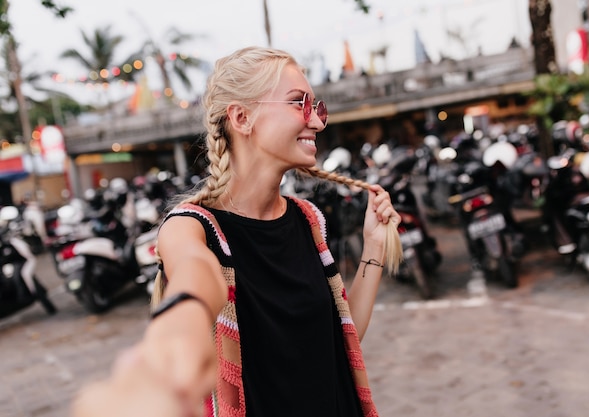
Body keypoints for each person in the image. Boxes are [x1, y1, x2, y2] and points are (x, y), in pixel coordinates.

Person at [71, 46, 402, 417]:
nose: (317, 122)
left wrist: (373, 244)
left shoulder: (307, 220)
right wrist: (172, 344)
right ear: (242, 117)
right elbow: (195, 275)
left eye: (317, 106)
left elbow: (341, 338)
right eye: (299, 103)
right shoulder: (190, 227)